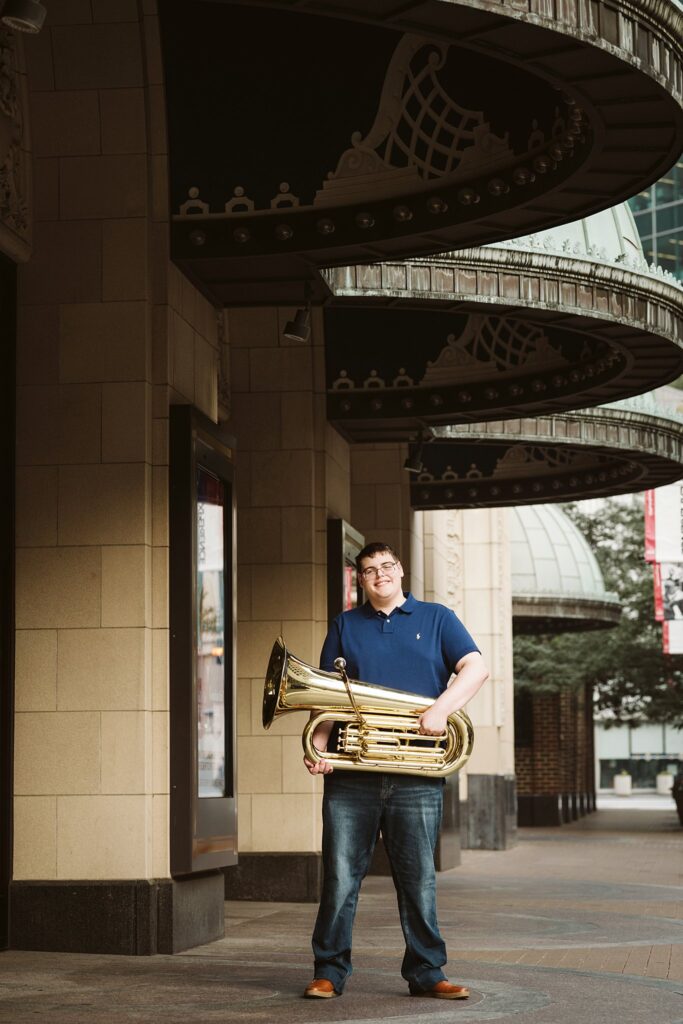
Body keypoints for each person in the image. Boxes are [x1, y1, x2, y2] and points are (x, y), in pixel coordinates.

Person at [302, 541, 489, 1000]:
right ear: (360, 580)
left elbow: (476, 667)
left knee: (418, 878)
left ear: (400, 571)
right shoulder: (345, 624)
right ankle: (329, 971)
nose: (379, 575)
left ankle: (428, 973)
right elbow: (329, 692)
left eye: (387, 566)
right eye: (369, 570)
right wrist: (317, 744)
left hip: (417, 778)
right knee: (341, 877)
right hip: (352, 778)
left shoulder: (437, 618)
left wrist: (443, 710)